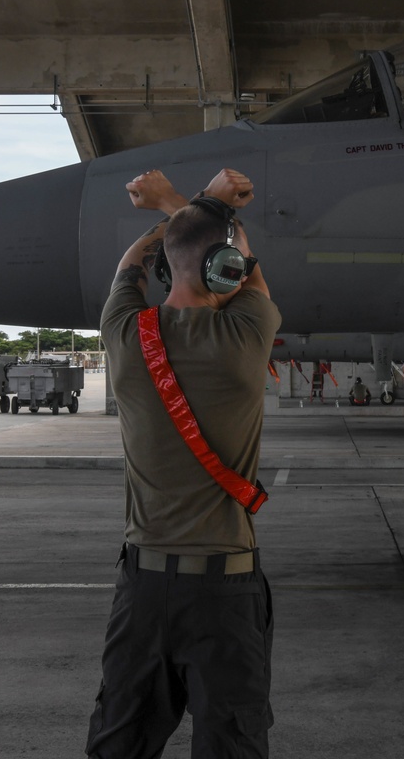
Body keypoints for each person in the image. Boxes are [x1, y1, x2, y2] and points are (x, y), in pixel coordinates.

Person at [86, 167, 281, 759]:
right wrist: (189, 203)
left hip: (141, 589)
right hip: (225, 593)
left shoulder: (122, 332)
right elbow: (247, 274)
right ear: (227, 270)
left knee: (119, 742)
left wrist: (182, 208)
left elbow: (129, 266)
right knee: (233, 746)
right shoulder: (247, 336)